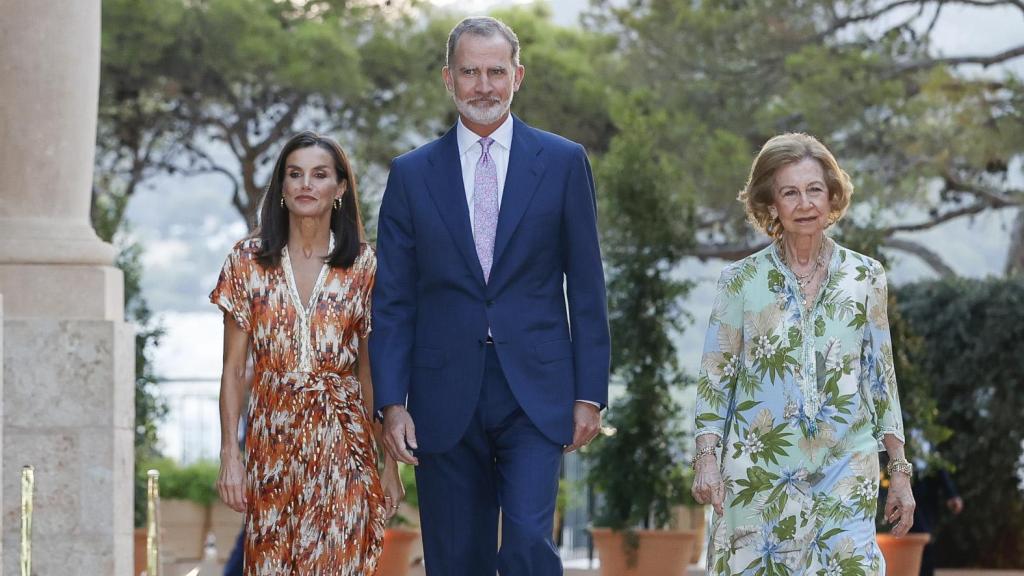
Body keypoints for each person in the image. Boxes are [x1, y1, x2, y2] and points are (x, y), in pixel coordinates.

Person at [369, 16, 610, 576]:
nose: (483, 85)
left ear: (517, 76)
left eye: (495, 71)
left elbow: (588, 285)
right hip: (441, 392)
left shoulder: (563, 162)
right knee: (456, 558)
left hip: (537, 388)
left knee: (528, 541)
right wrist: (392, 402)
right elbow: (394, 300)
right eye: (470, 72)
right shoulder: (410, 173)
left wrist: (589, 393)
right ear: (447, 79)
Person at [691, 133, 916, 573]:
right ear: (770, 203)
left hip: (846, 465)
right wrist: (706, 461)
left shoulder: (865, 276)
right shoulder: (740, 281)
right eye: (789, 192)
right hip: (759, 469)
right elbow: (715, 378)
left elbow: (880, 377)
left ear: (832, 195)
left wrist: (901, 470)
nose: (805, 203)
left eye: (814, 189)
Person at [211, 131, 402, 575]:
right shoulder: (246, 261)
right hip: (271, 444)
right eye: (294, 175)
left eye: (319, 175)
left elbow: (374, 373)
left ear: (339, 190)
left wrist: (388, 464)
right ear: (281, 187)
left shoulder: (364, 266)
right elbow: (233, 369)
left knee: (340, 560)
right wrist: (229, 455)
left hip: (343, 441)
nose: (306, 185)